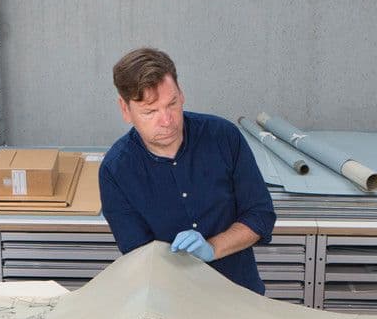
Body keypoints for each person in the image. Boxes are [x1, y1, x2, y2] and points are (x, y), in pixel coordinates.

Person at [99, 47, 276, 295]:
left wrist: (212, 248)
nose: (167, 120)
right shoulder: (116, 171)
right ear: (125, 110)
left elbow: (260, 215)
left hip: (239, 293)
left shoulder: (223, 137)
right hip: (169, 304)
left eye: (171, 103)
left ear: (181, 93)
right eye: (150, 112)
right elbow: (139, 256)